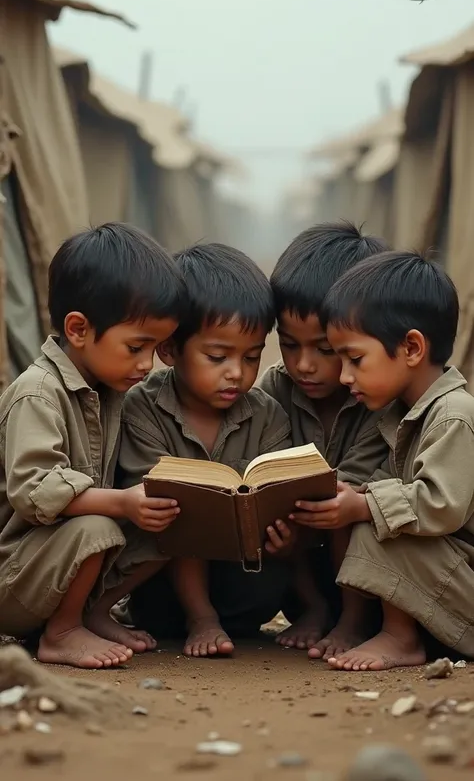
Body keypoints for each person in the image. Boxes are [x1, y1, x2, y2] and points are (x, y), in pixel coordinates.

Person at [0, 223, 185, 669]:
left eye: (158, 348)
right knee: (99, 525)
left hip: (63, 570)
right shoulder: (38, 393)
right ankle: (61, 634)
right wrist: (121, 502)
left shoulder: (109, 389)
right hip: (16, 575)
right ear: (79, 330)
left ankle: (94, 613)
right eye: (137, 346)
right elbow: (34, 489)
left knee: (171, 522)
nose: (146, 364)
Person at [300, 250, 474, 670]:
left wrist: (363, 503)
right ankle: (374, 626)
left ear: (412, 347)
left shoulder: (455, 416)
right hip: (445, 581)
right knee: (367, 510)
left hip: (463, 586)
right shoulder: (402, 415)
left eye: (355, 359)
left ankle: (400, 639)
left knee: (379, 521)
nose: (344, 376)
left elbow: (440, 505)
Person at [119, 243, 293, 658]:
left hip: (243, 578)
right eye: (217, 356)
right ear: (170, 349)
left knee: (275, 574)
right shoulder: (143, 407)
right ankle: (200, 618)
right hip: (160, 583)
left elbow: (280, 495)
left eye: (252, 357)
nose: (237, 372)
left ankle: (312, 612)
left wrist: (285, 532)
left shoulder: (267, 414)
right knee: (177, 512)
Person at [258, 223, 390, 659]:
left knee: (348, 502)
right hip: (301, 558)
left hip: (369, 561)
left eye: (325, 349)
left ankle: (353, 624)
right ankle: (313, 609)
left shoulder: (380, 398)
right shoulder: (276, 389)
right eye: (289, 345)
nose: (303, 365)